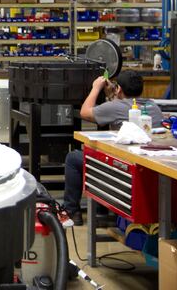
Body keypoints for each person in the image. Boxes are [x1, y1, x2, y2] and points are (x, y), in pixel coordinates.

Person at [64, 70, 164, 225]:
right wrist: (113, 95)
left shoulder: (114, 107)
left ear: (119, 89)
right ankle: (101, 209)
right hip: (146, 167)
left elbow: (85, 112)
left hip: (121, 168)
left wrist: (96, 88)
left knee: (73, 158)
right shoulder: (153, 107)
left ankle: (72, 212)